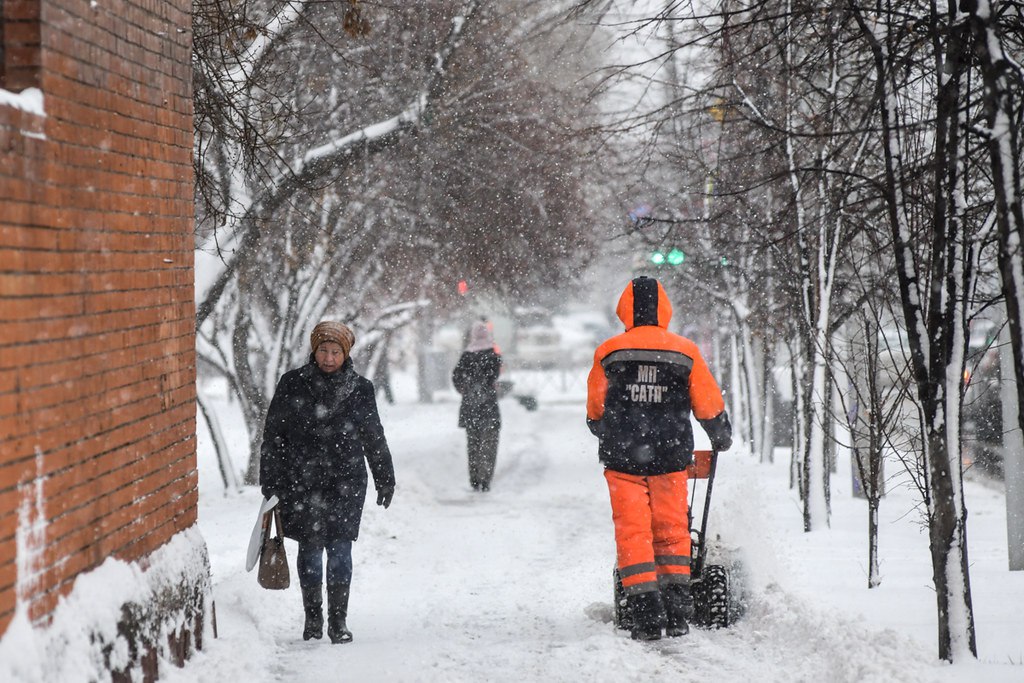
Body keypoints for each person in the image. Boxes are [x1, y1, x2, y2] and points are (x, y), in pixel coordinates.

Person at [586, 276, 732, 641]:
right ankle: (678, 611)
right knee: (671, 530)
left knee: (633, 532)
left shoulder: (608, 352)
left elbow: (595, 411)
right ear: (664, 309)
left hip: (623, 462)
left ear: (625, 310)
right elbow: (707, 401)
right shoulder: (684, 351)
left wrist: (612, 431)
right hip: (670, 458)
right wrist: (719, 434)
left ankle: (646, 615)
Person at [259, 320, 396, 644]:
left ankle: (338, 622)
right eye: (324, 350)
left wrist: (385, 479)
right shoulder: (292, 384)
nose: (329, 358)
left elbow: (373, 435)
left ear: (345, 353)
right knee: (309, 551)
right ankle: (313, 620)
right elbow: (273, 434)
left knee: (339, 551)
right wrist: (271, 480)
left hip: (345, 480)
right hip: (301, 480)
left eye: (335, 352)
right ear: (314, 349)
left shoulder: (360, 388)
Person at [452, 320, 502, 492]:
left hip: (470, 407)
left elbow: (456, 376)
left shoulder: (467, 355)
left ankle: (474, 479)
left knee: (473, 444)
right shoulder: (492, 353)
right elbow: (494, 374)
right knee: (489, 444)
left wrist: (465, 388)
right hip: (488, 406)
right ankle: (485, 478)